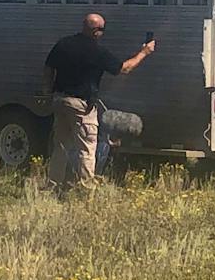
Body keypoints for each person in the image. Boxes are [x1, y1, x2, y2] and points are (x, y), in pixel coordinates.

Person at [43, 14, 156, 191]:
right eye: (102, 30)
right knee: (87, 148)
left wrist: (48, 92)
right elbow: (124, 68)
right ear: (96, 32)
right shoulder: (96, 52)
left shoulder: (63, 44)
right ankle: (87, 190)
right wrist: (144, 52)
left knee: (61, 146)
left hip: (60, 100)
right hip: (81, 105)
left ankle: (52, 185)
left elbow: (48, 67)